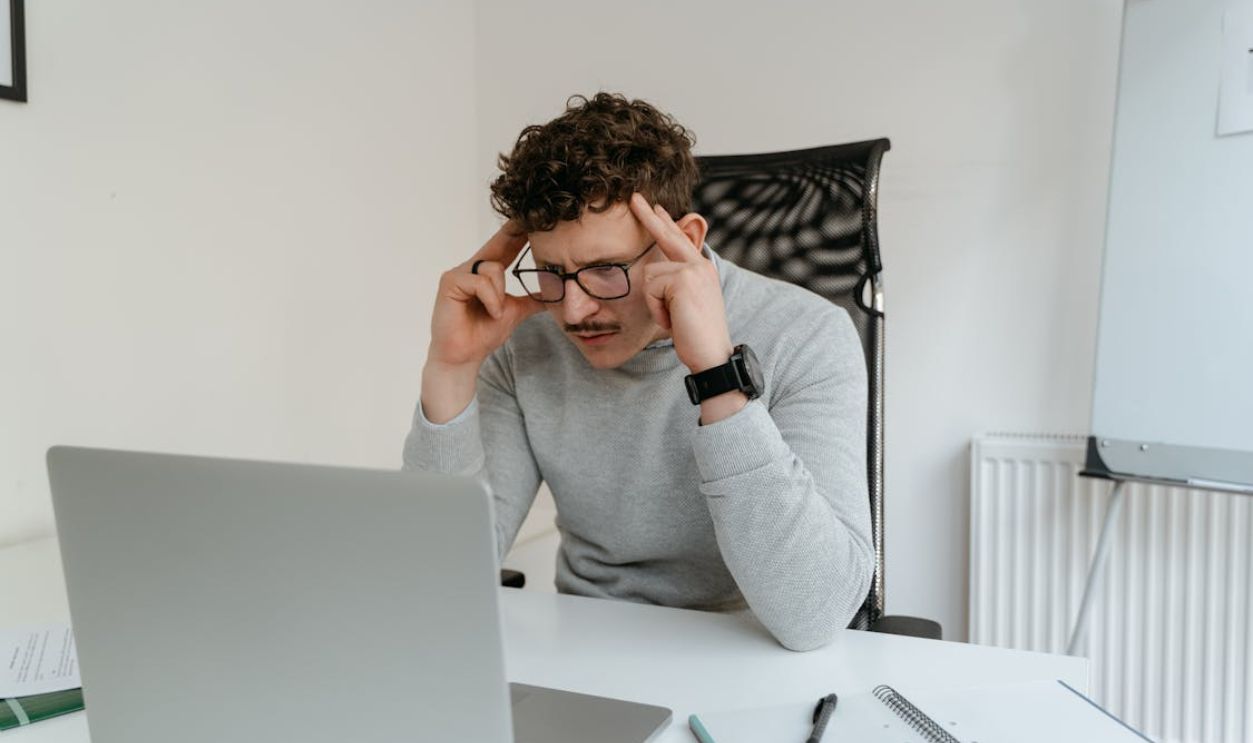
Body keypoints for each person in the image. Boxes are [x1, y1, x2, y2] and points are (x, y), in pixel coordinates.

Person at [403, 92, 872, 651]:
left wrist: (717, 376)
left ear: (686, 243)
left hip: (749, 649)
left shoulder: (806, 334)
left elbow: (814, 616)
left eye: (604, 271)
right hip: (583, 646)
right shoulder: (525, 339)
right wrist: (451, 369)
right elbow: (432, 585)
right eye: (552, 273)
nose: (573, 311)